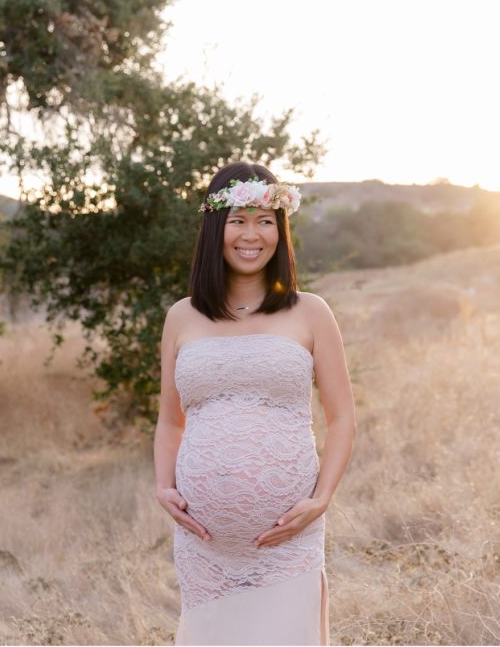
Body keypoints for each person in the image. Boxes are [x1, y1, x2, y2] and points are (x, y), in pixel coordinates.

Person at [153, 161, 357, 645]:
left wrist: (321, 499)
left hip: (288, 542)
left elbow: (343, 416)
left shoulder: (310, 311)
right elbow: (169, 421)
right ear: (214, 226)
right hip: (206, 548)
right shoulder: (182, 317)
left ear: (280, 229)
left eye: (266, 221)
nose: (253, 234)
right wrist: (164, 486)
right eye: (239, 220)